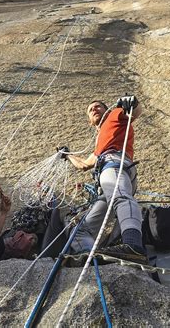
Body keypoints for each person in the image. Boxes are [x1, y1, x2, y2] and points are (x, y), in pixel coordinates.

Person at [63, 96, 146, 263]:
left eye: (98, 106)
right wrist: (67, 155)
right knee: (80, 230)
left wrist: (132, 102)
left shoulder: (114, 116)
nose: (94, 109)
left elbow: (135, 112)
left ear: (107, 110)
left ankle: (133, 245)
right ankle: (92, 258)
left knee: (121, 198)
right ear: (89, 122)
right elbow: (85, 165)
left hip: (114, 164)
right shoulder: (101, 141)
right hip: (108, 171)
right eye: (90, 109)